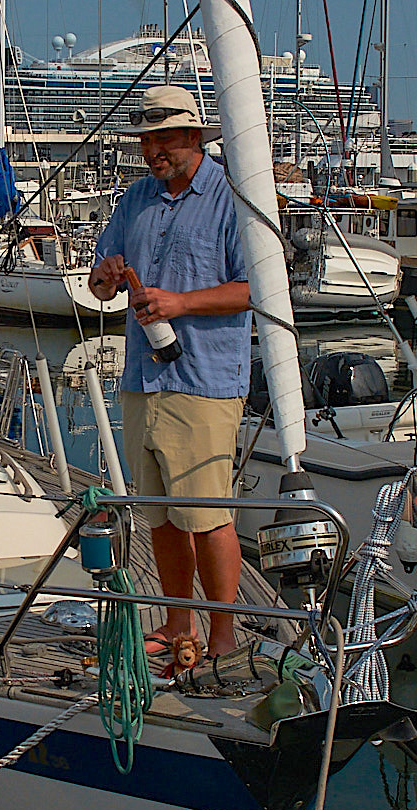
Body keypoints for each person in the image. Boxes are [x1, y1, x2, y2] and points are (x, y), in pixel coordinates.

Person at [88, 86, 250, 660]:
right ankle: (178, 625)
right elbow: (98, 285)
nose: (153, 150)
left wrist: (180, 303)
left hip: (202, 383)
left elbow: (254, 288)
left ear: (195, 137)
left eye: (164, 139)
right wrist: (105, 276)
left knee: (207, 514)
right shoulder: (134, 200)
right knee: (160, 515)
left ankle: (224, 635)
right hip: (142, 380)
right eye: (146, 140)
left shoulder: (233, 199)